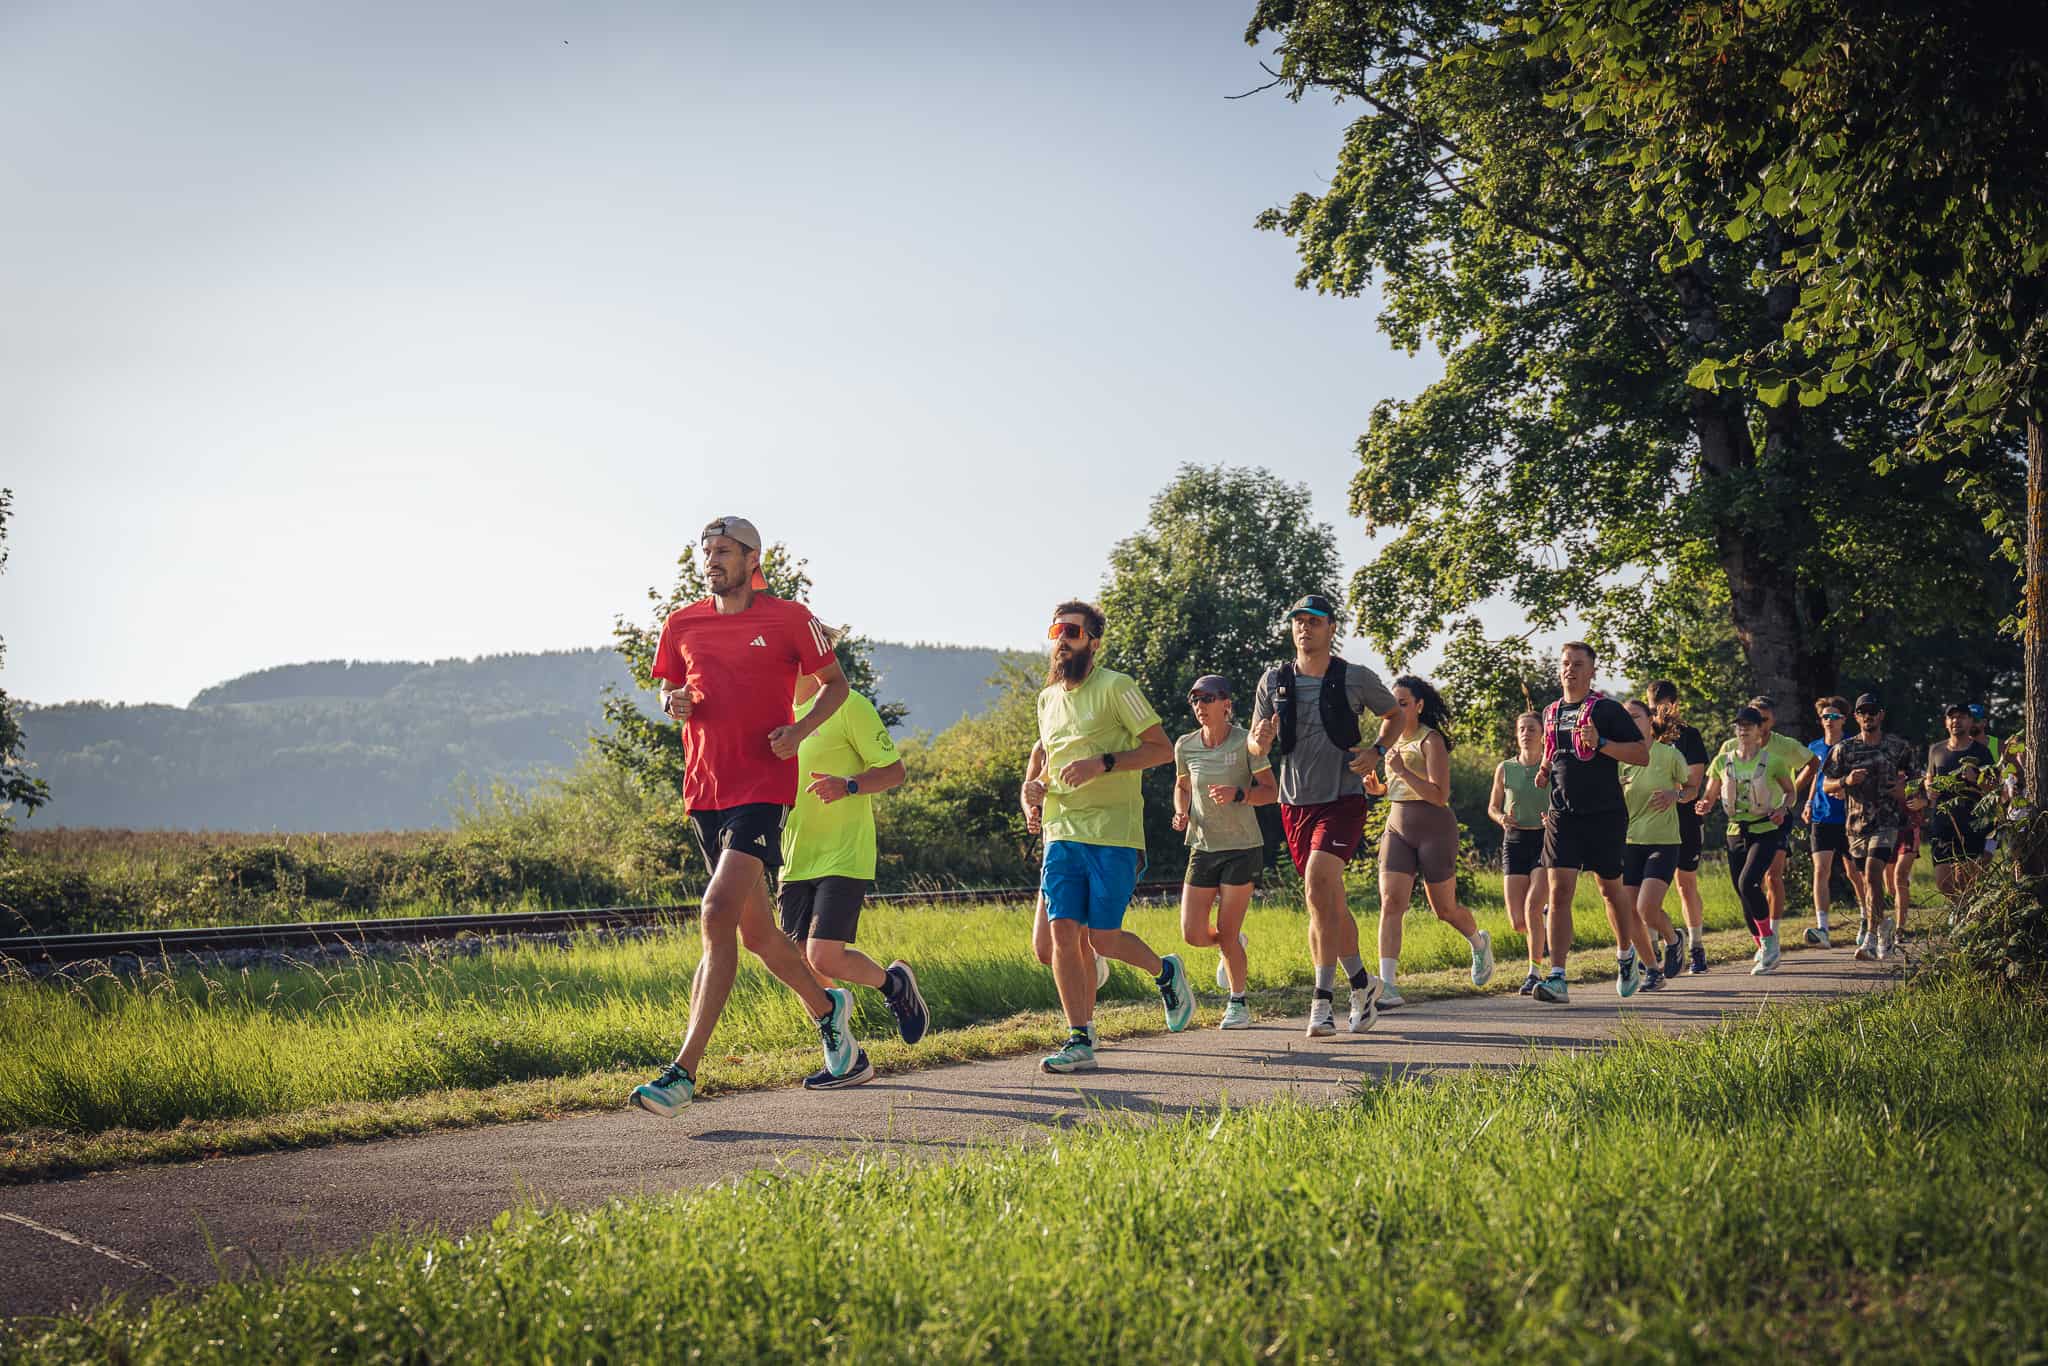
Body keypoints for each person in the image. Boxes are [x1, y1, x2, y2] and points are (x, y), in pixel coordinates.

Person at [630, 516, 866, 1117]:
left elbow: (835, 685)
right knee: (757, 935)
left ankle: (683, 1073)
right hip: (705, 789)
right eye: (706, 550)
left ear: (752, 558)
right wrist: (672, 702)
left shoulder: (790, 618)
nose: (712, 559)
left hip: (763, 785)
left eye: (725, 550)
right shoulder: (680, 623)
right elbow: (670, 691)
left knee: (715, 913)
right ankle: (829, 1011)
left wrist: (801, 730)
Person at [1029, 600, 1191, 1075]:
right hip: (1062, 831)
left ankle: (1165, 972)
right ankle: (1079, 1037)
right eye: (1056, 629)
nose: (1062, 638)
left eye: (1073, 631)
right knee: (1062, 934)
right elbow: (1043, 756)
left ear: (1093, 641)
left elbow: (1160, 749)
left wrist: (1103, 763)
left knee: (1103, 937)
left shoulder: (1118, 687)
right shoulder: (1046, 698)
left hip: (1113, 833)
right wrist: (1033, 789)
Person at [1246, 593, 1401, 1035]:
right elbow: (1255, 746)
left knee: (1318, 884)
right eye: (1298, 620)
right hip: (1295, 804)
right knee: (1328, 901)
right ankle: (1362, 984)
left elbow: (1392, 714)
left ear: (1332, 628)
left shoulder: (1354, 677)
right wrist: (1260, 740)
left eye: (1314, 621)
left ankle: (1321, 1001)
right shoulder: (1273, 680)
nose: (1304, 627)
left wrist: (1378, 751)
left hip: (1343, 798)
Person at [778, 667, 930, 1089]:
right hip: (793, 857)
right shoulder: (776, 711)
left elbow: (893, 771)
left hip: (843, 853)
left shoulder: (847, 704)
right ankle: (846, 1058)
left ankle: (893, 984)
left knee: (823, 956)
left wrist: (847, 785)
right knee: (797, 964)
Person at [1531, 642, 1653, 1004]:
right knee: (1559, 891)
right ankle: (1557, 977)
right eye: (1565, 663)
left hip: (1605, 814)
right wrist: (1542, 770)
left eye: (1578, 664)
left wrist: (1601, 743)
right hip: (1562, 813)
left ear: (1591, 671)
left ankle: (1625, 955)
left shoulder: (1607, 710)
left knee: (1610, 890)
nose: (1569, 669)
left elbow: (1641, 755)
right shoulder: (1550, 711)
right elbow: (1553, 749)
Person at [1364, 676, 1495, 996]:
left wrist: (1405, 771)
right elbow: (1395, 787)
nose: (1396, 710)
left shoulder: (1430, 740)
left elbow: (1439, 794)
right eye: (1392, 705)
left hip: (1434, 830)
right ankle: (1389, 985)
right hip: (1397, 828)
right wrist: (1379, 789)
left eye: (1404, 704)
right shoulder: (1389, 740)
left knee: (1444, 910)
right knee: (1391, 902)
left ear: (1419, 705)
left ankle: (1479, 943)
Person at [1172, 674, 1276, 1029]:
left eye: (1207, 699)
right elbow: (1182, 785)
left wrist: (1239, 795)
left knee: (1227, 932)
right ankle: (1234, 947)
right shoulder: (1185, 745)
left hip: (1241, 848)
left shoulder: (1245, 743)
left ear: (1226, 703)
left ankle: (1238, 1003)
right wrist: (1181, 810)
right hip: (1202, 847)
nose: (1199, 706)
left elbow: (1271, 791)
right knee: (1193, 934)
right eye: (1194, 700)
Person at [1698, 706, 1799, 973]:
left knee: (1748, 881)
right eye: (1739, 725)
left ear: (1759, 730)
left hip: (1765, 829)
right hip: (1735, 832)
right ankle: (1762, 946)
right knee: (1743, 892)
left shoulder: (1773, 761)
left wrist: (1782, 809)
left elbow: (1790, 792)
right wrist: (1704, 805)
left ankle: (1769, 943)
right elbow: (1710, 793)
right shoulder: (1722, 761)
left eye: (1749, 725)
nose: (1743, 730)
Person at [1714, 695, 1819, 943]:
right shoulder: (1730, 746)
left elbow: (1814, 763)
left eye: (1763, 719)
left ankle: (1773, 931)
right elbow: (1718, 777)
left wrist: (1792, 788)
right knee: (1747, 884)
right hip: (1741, 824)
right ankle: (1761, 936)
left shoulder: (1784, 745)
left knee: (1772, 875)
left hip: (1776, 818)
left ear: (1771, 722)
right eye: (1752, 718)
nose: (1756, 724)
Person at [1821, 694, 1915, 960]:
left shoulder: (1898, 747)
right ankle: (1884, 925)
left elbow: (1917, 779)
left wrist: (1904, 791)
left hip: (1887, 822)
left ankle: (1871, 938)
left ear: (1881, 715)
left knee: (1874, 874)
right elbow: (1826, 784)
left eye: (1873, 711)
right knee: (1867, 881)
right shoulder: (1845, 749)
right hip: (1856, 825)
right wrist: (1846, 781)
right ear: (1857, 717)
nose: (1868, 716)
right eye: (1863, 712)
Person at [1620, 697, 1693, 989]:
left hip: (1663, 841)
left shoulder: (1668, 754)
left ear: (1650, 721)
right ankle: (1652, 970)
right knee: (1628, 912)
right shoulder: (1621, 759)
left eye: (1635, 716)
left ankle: (1674, 939)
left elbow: (1691, 788)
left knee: (1647, 908)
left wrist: (1675, 795)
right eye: (1626, 718)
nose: (1630, 722)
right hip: (1629, 842)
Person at [1649, 680, 1712, 974]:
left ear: (1675, 704)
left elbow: (1693, 785)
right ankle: (1650, 947)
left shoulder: (1690, 736)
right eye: (1652, 704)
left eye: (1662, 704)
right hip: (1649, 821)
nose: (1657, 710)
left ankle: (1697, 947)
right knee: (1647, 887)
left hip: (1684, 820)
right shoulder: (1645, 737)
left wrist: (1674, 791)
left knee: (1685, 885)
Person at [1797, 697, 1865, 948]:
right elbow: (1815, 778)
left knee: (1854, 873)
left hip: (1850, 816)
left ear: (1844, 720)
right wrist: (1807, 802)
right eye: (1825, 717)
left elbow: (1864, 778)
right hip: (1820, 816)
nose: (1829, 721)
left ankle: (1866, 918)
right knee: (1820, 870)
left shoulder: (1854, 745)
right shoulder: (1814, 747)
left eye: (1834, 716)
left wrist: (1848, 792)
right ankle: (1822, 928)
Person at [1489, 711, 1549, 994]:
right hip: (1513, 841)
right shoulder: (1505, 768)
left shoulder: (1550, 768)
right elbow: (1492, 807)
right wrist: (1502, 818)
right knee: (1517, 921)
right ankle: (1543, 929)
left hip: (1545, 840)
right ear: (1517, 734)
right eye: (1521, 729)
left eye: (1531, 729)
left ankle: (1534, 972)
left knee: (1532, 908)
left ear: (1542, 733)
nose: (1526, 733)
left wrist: (1555, 819)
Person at [1925, 702, 1995, 904]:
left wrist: (1976, 780)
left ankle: (1967, 922)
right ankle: (1964, 911)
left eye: (1961, 716)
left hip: (1972, 823)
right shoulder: (1935, 750)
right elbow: (1929, 777)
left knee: (1968, 881)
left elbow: (1994, 789)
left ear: (1970, 721)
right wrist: (1930, 788)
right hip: (1942, 823)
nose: (1956, 721)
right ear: (1946, 722)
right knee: (1943, 883)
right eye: (1952, 717)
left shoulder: (1981, 751)